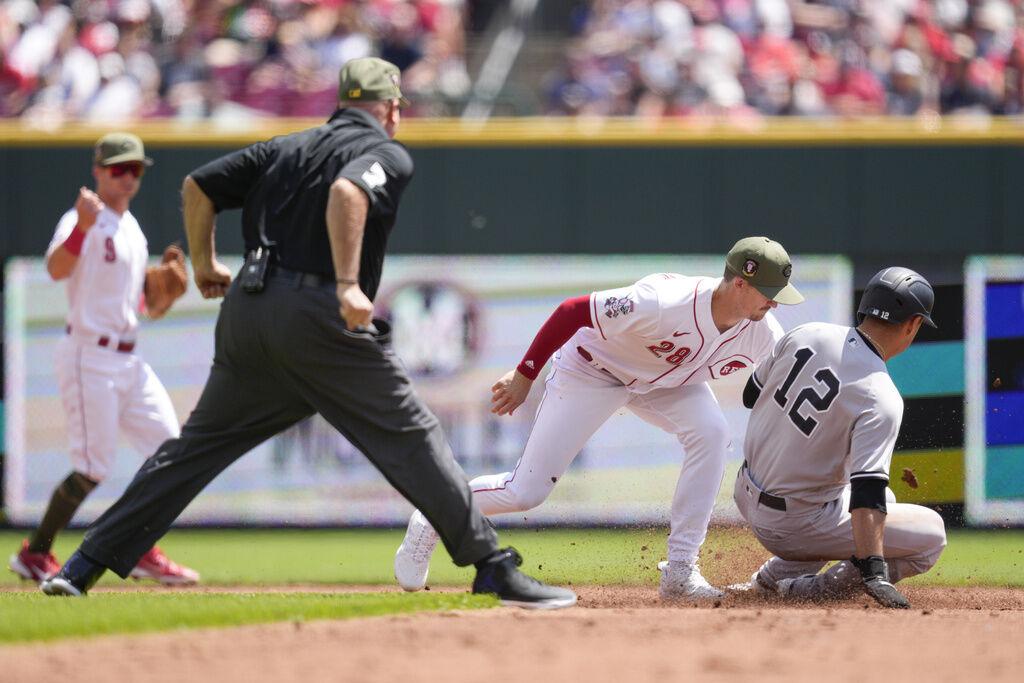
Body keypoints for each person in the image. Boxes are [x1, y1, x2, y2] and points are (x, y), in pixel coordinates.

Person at [40, 57, 576, 609]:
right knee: (412, 436)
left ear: (342, 103)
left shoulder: (285, 146)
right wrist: (348, 285)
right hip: (317, 314)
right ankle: (491, 566)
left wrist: (204, 263)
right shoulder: (387, 152)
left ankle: (80, 568)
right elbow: (348, 193)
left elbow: (198, 186)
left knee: (191, 453)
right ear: (390, 110)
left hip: (247, 314)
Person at [395, 237, 804, 600]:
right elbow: (572, 311)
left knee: (712, 434)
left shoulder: (762, 332)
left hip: (663, 384)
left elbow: (783, 381)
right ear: (740, 283)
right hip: (592, 371)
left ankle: (680, 571)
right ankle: (434, 515)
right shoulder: (664, 302)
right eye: (768, 292)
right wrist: (525, 376)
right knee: (525, 492)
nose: (773, 302)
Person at [8, 133, 199, 587]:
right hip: (88, 355)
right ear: (98, 171)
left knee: (170, 452)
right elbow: (57, 269)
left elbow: (133, 302)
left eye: (135, 169)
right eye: (118, 168)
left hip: (129, 358)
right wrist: (80, 225)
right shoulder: (83, 218)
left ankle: (138, 549)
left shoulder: (132, 227)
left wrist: (155, 300)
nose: (127, 177)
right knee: (93, 466)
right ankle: (35, 553)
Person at [732, 267, 947, 608]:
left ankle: (769, 580)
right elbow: (866, 492)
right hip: (793, 526)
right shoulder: (880, 395)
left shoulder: (806, 332)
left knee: (885, 500)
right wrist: (874, 570)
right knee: (932, 535)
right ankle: (806, 591)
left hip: (744, 492)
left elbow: (749, 395)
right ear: (912, 324)